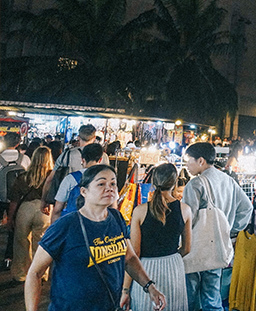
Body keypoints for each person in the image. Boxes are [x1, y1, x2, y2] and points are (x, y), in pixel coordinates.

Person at [25, 165, 166, 311]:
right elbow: (35, 273)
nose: (109, 188)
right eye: (101, 184)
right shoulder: (66, 225)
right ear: (84, 191)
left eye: (113, 183)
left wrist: (149, 286)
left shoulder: (117, 218)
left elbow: (129, 258)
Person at [182, 143, 253, 311]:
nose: (186, 165)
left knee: (190, 298)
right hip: (218, 246)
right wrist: (231, 229)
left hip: (195, 248)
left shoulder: (195, 184)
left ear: (200, 161)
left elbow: (187, 220)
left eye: (188, 161)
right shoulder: (228, 180)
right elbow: (247, 207)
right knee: (212, 299)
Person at [123, 163, 192, 311]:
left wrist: (125, 290)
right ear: (174, 183)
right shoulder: (185, 210)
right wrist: (170, 256)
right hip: (174, 268)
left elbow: (134, 254)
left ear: (153, 182)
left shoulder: (140, 211)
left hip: (145, 269)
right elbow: (186, 248)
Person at [7, 146, 54, 282]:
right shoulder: (52, 177)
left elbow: (14, 200)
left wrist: (10, 218)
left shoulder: (23, 177)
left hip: (25, 209)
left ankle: (21, 274)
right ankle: (40, 274)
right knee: (41, 243)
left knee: (21, 242)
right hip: (44, 210)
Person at [42, 124, 108, 207]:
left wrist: (44, 201)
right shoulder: (103, 156)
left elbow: (50, 179)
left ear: (78, 137)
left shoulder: (67, 155)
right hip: (95, 204)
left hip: (68, 202)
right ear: (94, 138)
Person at [51, 143, 104, 223]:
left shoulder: (70, 179)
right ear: (100, 160)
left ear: (82, 159)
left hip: (73, 224)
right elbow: (113, 207)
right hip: (98, 225)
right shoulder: (107, 181)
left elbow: (57, 210)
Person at [1, 132, 31, 270]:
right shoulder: (25, 159)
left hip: (0, 198)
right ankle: (9, 256)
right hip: (18, 199)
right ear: (18, 143)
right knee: (13, 227)